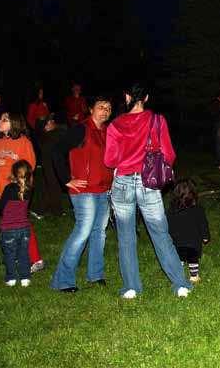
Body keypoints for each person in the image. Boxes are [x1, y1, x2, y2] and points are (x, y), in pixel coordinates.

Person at [104, 83, 192, 299]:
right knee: (160, 234)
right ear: (146, 98)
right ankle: (180, 284)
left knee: (125, 237)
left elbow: (109, 160)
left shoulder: (115, 124)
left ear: (126, 97)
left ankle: (131, 287)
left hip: (123, 183)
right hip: (148, 183)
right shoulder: (157, 120)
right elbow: (169, 154)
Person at [50, 97, 113, 293]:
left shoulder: (106, 132)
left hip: (103, 190)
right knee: (83, 232)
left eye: (108, 108)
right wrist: (66, 179)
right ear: (91, 109)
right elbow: (57, 151)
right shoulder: (81, 129)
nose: (105, 111)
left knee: (99, 233)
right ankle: (63, 280)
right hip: (84, 191)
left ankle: (95, 274)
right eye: (101, 107)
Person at [0, 111, 44, 273]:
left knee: (22, 224)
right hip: (2, 190)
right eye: (0, 118)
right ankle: (17, 255)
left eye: (4, 119)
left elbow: (30, 166)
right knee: (10, 225)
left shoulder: (23, 142)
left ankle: (35, 259)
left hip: (18, 192)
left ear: (13, 124)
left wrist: (15, 160)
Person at [0, 160, 34, 287]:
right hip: (24, 229)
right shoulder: (29, 189)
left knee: (9, 254)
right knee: (23, 253)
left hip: (9, 229)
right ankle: (25, 278)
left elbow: (2, 206)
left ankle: (11, 278)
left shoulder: (9, 188)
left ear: (13, 173)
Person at [166, 179, 211, 283]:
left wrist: (169, 236)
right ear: (193, 194)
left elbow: (168, 224)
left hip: (177, 242)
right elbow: (203, 224)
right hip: (193, 242)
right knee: (193, 259)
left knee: (179, 258)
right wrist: (205, 236)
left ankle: (178, 274)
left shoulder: (171, 210)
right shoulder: (198, 209)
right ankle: (194, 276)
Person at [35, 114, 65, 216]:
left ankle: (44, 209)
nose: (52, 121)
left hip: (53, 163)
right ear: (46, 127)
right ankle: (56, 210)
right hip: (51, 164)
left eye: (51, 120)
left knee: (48, 183)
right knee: (52, 183)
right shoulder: (51, 137)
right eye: (49, 121)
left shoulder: (53, 135)